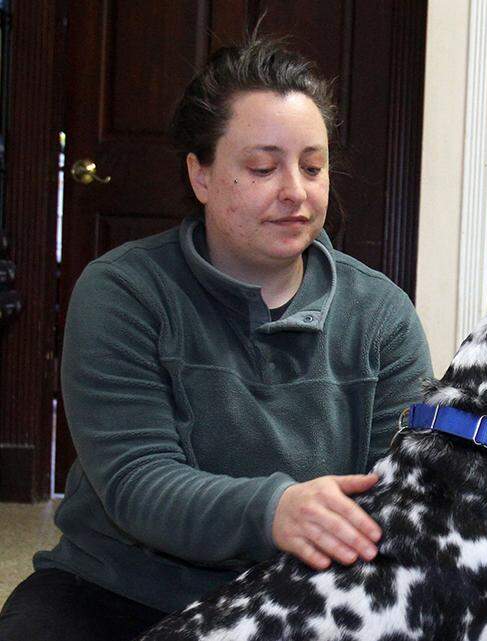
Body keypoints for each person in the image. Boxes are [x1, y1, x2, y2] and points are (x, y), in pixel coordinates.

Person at [0, 37, 432, 641]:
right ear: (199, 175)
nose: (296, 192)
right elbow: (135, 480)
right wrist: (273, 511)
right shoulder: (123, 292)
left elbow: (403, 491)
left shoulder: (381, 313)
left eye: (313, 167)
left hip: (304, 597)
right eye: (262, 168)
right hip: (118, 588)